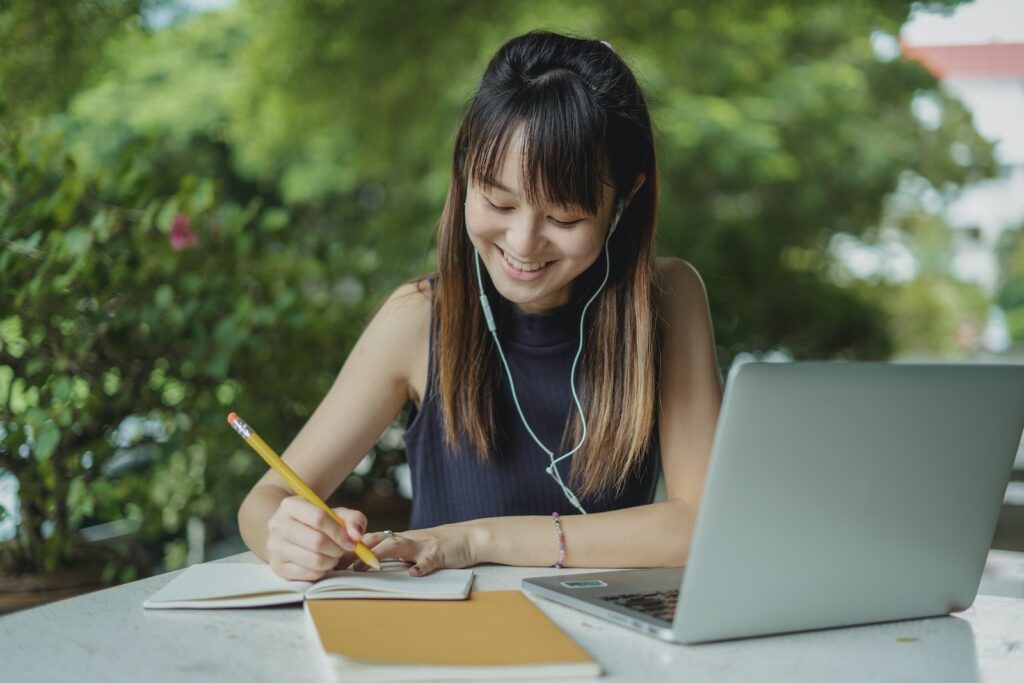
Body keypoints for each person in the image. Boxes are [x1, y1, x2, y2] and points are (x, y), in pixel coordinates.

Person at [238, 30, 722, 580]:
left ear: (625, 197)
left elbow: (699, 524)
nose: (522, 243)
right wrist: (289, 535)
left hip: (608, 644)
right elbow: (266, 498)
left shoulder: (668, 299)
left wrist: (476, 539)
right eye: (498, 202)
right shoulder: (417, 318)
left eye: (564, 219)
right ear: (465, 170)